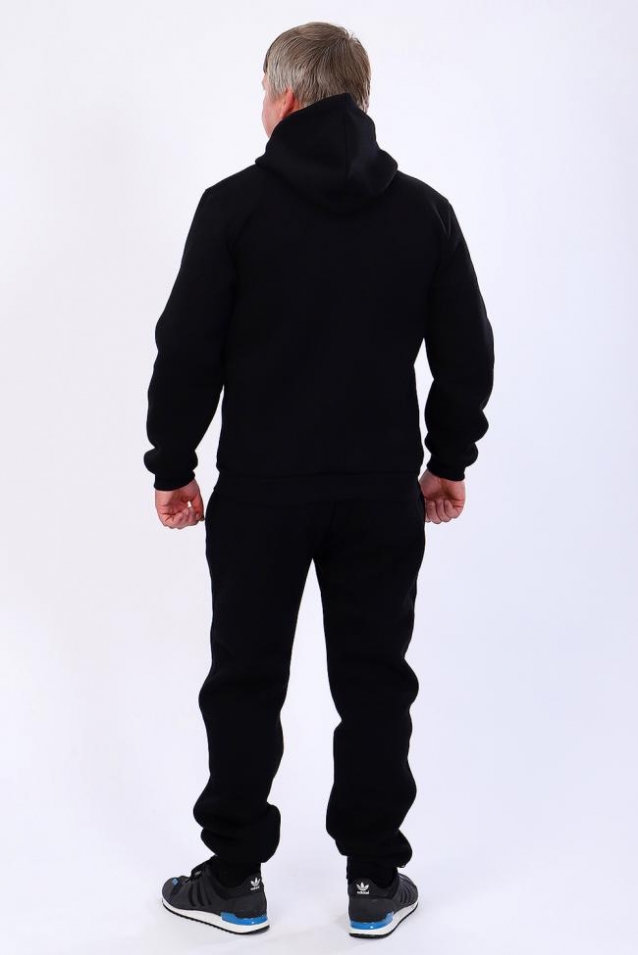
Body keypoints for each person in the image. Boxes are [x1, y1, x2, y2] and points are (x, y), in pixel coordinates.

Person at [144, 21, 495, 939]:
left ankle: (234, 877)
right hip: (380, 493)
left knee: (244, 678)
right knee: (375, 681)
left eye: (264, 91)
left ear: (288, 98)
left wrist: (174, 464)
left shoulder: (233, 209)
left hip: (262, 492)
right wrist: (447, 459)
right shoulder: (423, 212)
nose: (261, 107)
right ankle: (375, 879)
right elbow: (468, 351)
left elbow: (186, 349)